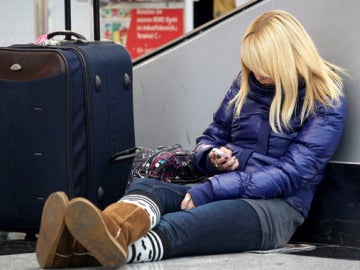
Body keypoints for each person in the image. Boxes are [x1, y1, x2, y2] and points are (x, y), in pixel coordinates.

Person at [36, 10, 347, 268]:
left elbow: (293, 173)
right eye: (252, 65)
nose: (257, 74)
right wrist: (211, 155)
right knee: (148, 188)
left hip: (276, 210)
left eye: (264, 67)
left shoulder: (326, 99)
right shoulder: (246, 82)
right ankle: (103, 233)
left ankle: (85, 250)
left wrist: (213, 188)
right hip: (228, 186)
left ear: (287, 58)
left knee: (187, 224)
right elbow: (212, 135)